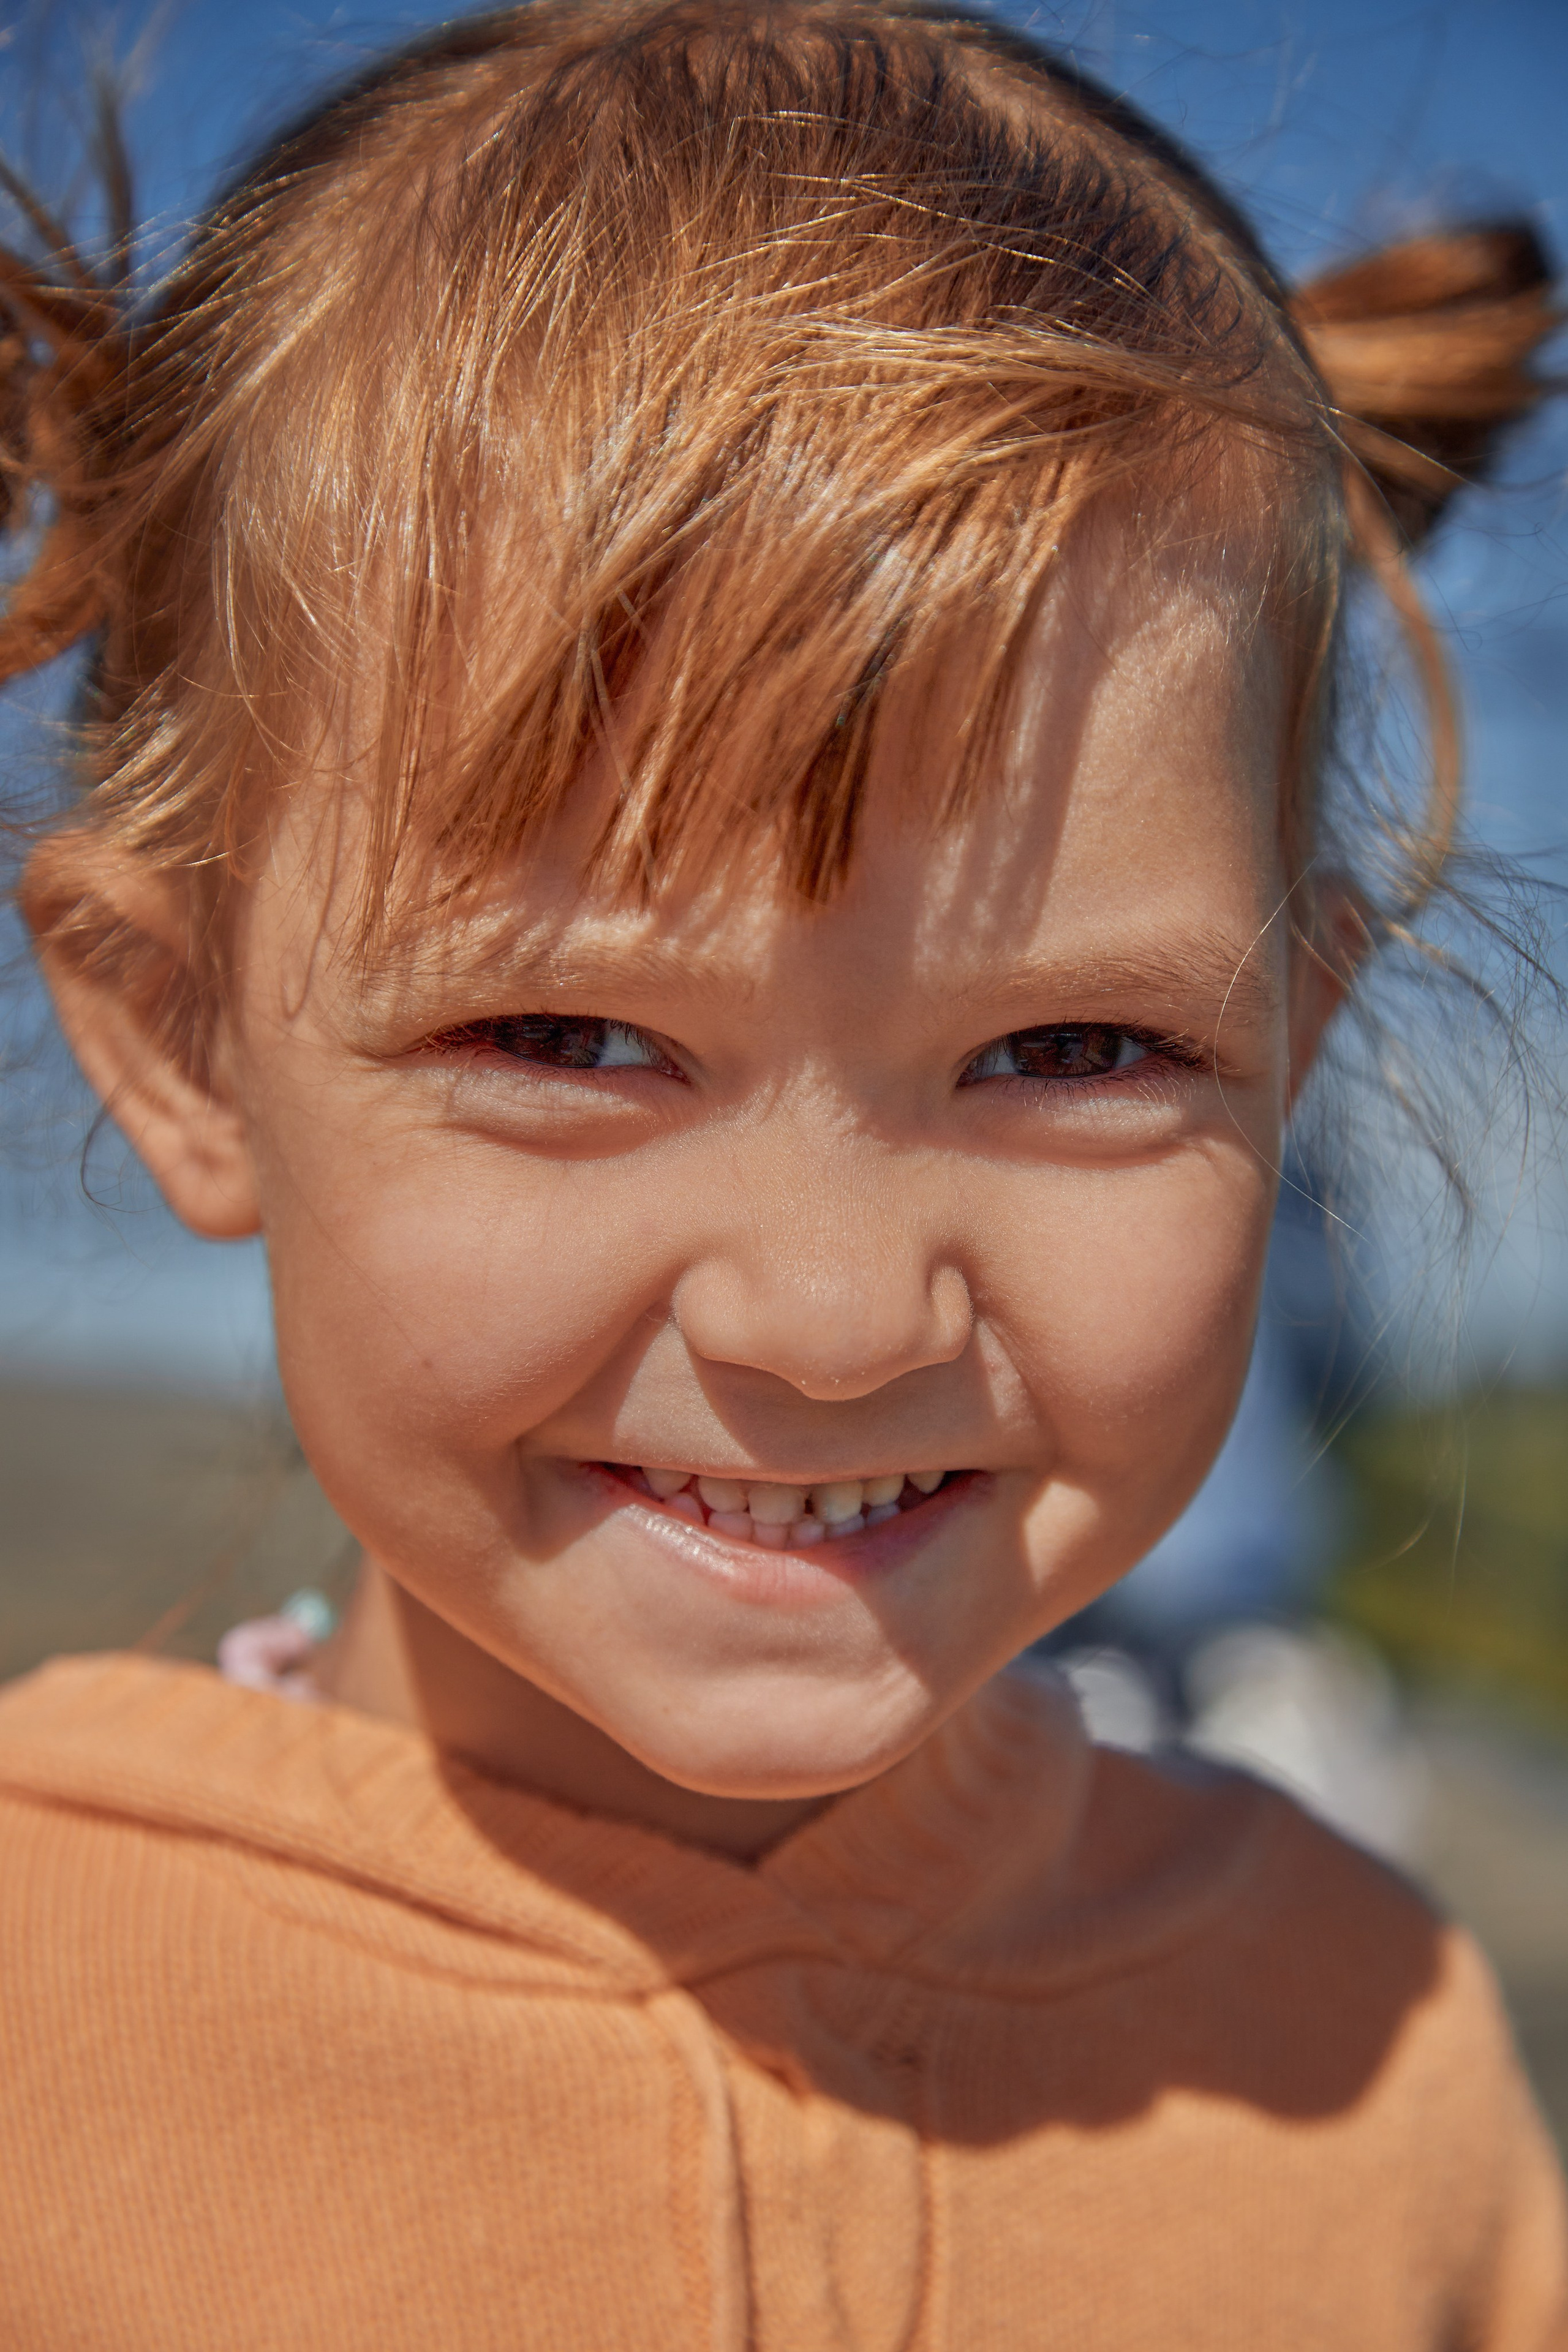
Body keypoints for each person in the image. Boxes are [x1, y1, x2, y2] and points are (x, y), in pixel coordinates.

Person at [0, 5, 1562, 2343]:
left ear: (1289, 1054)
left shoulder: (1370, 2059)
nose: (832, 1322)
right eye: (571, 1036)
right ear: (187, 1040)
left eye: (1073, 1048)